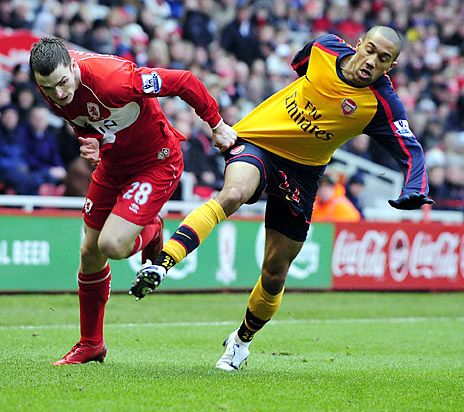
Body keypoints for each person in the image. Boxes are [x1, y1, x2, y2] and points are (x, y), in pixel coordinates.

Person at [130, 26, 432, 371]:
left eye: (383, 59)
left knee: (275, 272)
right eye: (371, 50)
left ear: (389, 67)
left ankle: (241, 341)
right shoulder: (324, 48)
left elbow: (411, 150)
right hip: (260, 143)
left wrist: (414, 188)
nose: (371, 62)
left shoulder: (381, 104)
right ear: (359, 44)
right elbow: (300, 62)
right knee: (233, 194)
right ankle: (161, 263)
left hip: (303, 174)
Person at [29, 37, 236, 365]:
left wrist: (217, 123)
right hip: (114, 165)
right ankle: (91, 344)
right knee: (89, 251)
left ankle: (152, 230)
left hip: (157, 161)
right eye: (48, 88)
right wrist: (94, 144)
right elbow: (86, 121)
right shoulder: (52, 87)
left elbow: (184, 81)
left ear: (72, 65)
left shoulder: (115, 80)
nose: (58, 94)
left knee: (112, 244)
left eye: (62, 83)